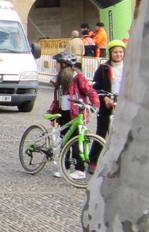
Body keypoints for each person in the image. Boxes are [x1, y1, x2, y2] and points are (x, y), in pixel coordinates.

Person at [48, 51, 99, 180]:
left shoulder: (77, 76)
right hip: (63, 113)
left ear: (64, 64)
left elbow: (89, 91)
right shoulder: (59, 78)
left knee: (76, 141)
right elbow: (57, 98)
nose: (55, 66)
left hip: (76, 113)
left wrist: (95, 105)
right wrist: (52, 111)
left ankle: (79, 169)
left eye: (57, 64)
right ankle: (64, 167)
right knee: (64, 140)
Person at [90, 39, 126, 167]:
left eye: (121, 52)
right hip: (107, 102)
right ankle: (93, 161)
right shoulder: (103, 68)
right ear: (110, 53)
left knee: (122, 133)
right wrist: (105, 99)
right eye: (115, 52)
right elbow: (95, 87)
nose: (118, 55)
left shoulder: (128, 67)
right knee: (101, 132)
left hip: (123, 102)